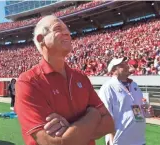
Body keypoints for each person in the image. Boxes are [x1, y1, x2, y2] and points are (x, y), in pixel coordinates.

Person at [15, 15, 115, 145]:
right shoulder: (28, 82)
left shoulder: (81, 77)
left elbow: (110, 124)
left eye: (67, 29)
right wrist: (93, 115)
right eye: (58, 28)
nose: (67, 33)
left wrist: (71, 132)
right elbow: (52, 142)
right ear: (41, 39)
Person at [99, 57, 154, 145]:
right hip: (119, 141)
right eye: (122, 65)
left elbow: (138, 110)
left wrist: (147, 113)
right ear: (113, 70)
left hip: (139, 140)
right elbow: (106, 115)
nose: (126, 66)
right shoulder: (108, 87)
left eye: (126, 63)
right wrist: (112, 140)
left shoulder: (134, 85)